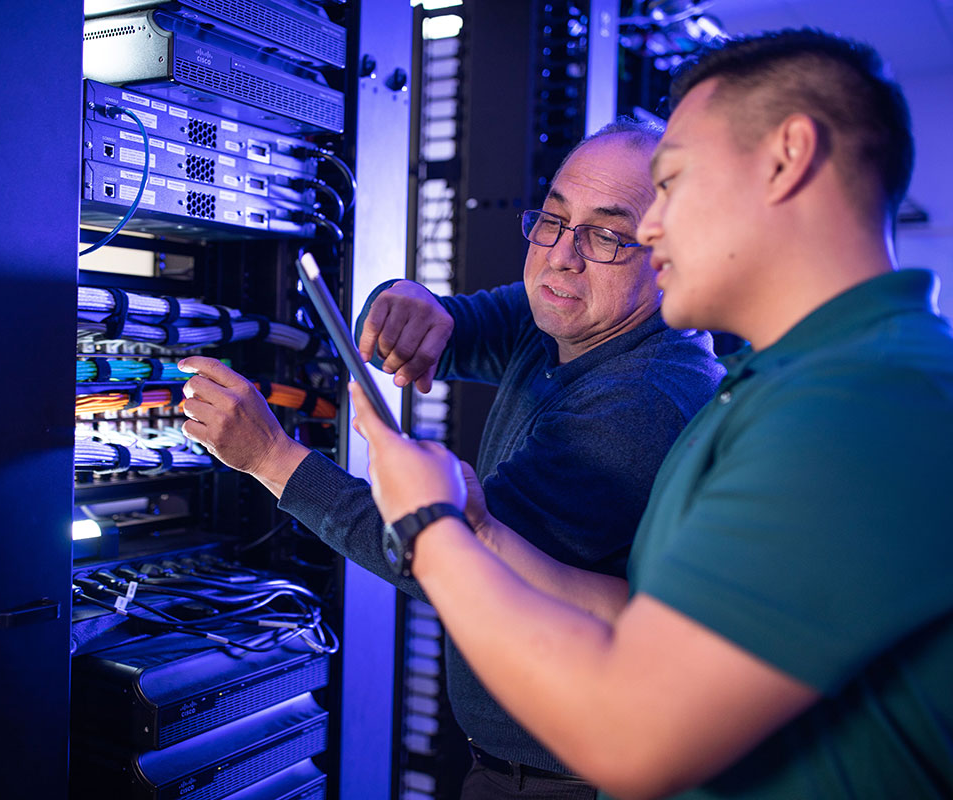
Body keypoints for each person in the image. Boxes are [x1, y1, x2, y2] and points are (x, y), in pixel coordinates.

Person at [347, 27, 953, 800]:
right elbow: (639, 614)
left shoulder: (863, 403)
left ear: (786, 157)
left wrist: (428, 528)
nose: (652, 226)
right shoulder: (780, 382)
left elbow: (632, 733)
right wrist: (479, 528)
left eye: (673, 182)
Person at [178, 119, 723, 799]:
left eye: (608, 236)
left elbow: (450, 562)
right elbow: (443, 327)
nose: (562, 256)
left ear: (670, 253)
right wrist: (405, 299)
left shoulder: (645, 396)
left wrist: (272, 459)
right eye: (553, 219)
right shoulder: (567, 312)